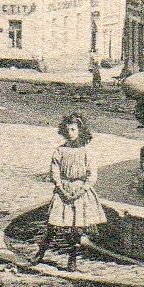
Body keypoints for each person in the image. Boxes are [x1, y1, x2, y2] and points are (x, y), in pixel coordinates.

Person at [30, 112, 107, 271]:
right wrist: (61, 188)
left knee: (76, 228)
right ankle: (41, 252)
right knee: (53, 225)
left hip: (80, 192)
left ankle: (72, 260)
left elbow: (92, 175)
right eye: (68, 130)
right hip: (63, 191)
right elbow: (55, 172)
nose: (70, 133)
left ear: (80, 130)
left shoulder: (87, 152)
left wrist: (81, 190)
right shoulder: (60, 151)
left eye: (73, 129)